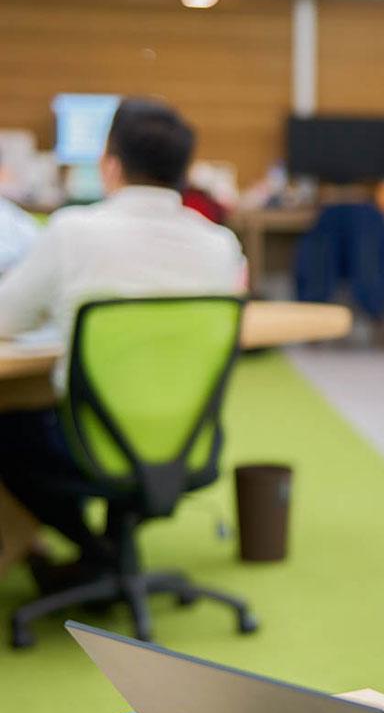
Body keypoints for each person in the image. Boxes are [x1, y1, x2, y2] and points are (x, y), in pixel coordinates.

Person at [0, 97, 245, 584]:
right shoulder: (221, 245)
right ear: (184, 171)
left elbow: (5, 319)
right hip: (186, 440)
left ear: (110, 165)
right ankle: (104, 554)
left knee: (9, 431)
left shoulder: (73, 233)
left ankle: (95, 551)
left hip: (89, 443)